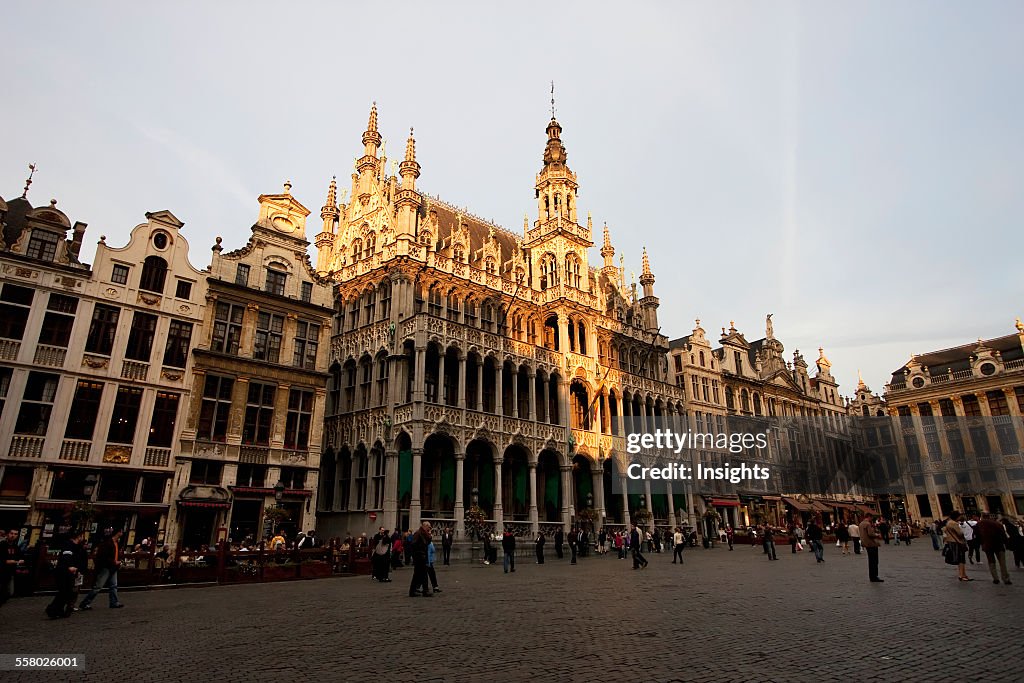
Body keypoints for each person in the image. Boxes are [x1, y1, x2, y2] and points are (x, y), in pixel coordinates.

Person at [79, 529, 125, 610]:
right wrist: (114, 561)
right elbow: (104, 556)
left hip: (113, 567)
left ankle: (114, 602)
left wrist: (117, 561)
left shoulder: (116, 543)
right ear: (118, 532)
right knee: (98, 586)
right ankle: (85, 602)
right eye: (121, 531)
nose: (122, 533)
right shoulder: (108, 543)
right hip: (106, 567)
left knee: (113, 585)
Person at [47, 530, 87, 619]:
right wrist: (69, 566)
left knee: (67, 591)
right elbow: (66, 557)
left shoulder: (78, 547)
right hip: (64, 571)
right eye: (82, 536)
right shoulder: (68, 545)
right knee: (64, 591)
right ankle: (52, 609)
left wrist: (79, 569)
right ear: (78, 537)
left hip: (72, 571)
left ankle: (59, 610)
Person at [976, 513, 1012, 585]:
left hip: (987, 545)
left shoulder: (978, 525)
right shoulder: (997, 524)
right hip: (998, 545)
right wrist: (1007, 544)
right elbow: (1003, 535)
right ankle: (1005, 578)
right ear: (989, 516)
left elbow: (977, 535)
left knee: (991, 562)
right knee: (1002, 563)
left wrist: (982, 543)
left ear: (982, 517)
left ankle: (995, 578)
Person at [943, 512, 971, 582]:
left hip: (952, 542)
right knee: (961, 559)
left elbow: (945, 531)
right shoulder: (954, 523)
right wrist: (964, 530)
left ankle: (963, 574)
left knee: (960, 559)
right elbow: (960, 533)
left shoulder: (948, 522)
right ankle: (961, 575)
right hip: (957, 542)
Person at [1, 529, 25, 607]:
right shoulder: (2, 545)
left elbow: (20, 556)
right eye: (11, 533)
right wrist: (16, 561)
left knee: (10, 592)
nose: (13, 535)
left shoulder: (15, 546)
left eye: (15, 534)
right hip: (2, 571)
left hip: (10, 572)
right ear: (8, 534)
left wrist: (20, 560)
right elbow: (4, 561)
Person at [408, 521, 432, 597]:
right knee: (422, 574)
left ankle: (414, 590)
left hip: (422, 556)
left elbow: (427, 542)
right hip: (419, 557)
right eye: (429, 527)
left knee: (419, 574)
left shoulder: (423, 533)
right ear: (425, 526)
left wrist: (429, 535)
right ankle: (424, 590)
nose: (429, 528)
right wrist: (417, 555)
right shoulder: (418, 533)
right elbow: (413, 545)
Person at [859, 513, 883, 582]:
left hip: (866, 544)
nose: (871, 519)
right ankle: (874, 576)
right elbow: (870, 534)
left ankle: (872, 576)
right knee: (874, 561)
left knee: (871, 561)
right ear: (869, 517)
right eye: (871, 518)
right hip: (872, 544)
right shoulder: (868, 524)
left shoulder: (861, 524)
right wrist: (877, 535)